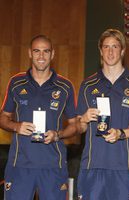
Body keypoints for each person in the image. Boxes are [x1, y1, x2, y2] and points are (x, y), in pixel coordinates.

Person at [0, 35, 77, 200]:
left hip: (53, 166)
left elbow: (74, 125)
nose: (41, 56)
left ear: (53, 54)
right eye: (37, 51)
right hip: (19, 165)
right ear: (29, 53)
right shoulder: (16, 82)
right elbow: (3, 118)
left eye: (45, 51)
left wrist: (58, 134)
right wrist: (16, 126)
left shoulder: (65, 86)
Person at [76, 29, 129, 200]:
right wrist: (84, 119)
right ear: (100, 50)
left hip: (124, 168)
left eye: (115, 46)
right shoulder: (87, 85)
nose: (110, 51)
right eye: (106, 47)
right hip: (92, 167)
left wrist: (121, 134)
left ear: (122, 50)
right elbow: (78, 128)